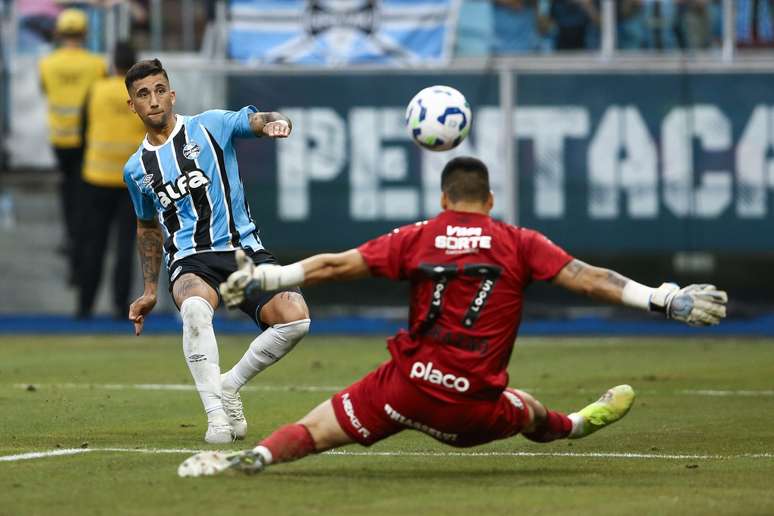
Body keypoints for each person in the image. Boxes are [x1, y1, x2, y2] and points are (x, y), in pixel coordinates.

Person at [177, 156, 728, 477]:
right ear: (489, 200)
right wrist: (662, 298)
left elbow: (337, 266)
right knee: (533, 413)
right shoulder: (518, 240)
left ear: (444, 198)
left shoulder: (420, 235)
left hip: (405, 388)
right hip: (473, 406)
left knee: (317, 428)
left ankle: (252, 459)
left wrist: (270, 278)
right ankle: (579, 424)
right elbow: (589, 278)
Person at [122, 59, 311, 444]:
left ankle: (229, 386)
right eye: (143, 94)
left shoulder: (209, 125)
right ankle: (215, 418)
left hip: (243, 249)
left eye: (160, 90)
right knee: (193, 308)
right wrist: (149, 289)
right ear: (133, 106)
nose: (154, 100)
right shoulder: (135, 169)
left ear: (172, 95)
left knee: (295, 319)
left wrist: (278, 122)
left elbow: (255, 121)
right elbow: (146, 227)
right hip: (191, 259)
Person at [76, 41, 145, 319]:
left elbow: (83, 129)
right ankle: (120, 309)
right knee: (126, 247)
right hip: (131, 181)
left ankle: (84, 306)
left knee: (93, 243)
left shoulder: (95, 89)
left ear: (112, 62)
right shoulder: (141, 94)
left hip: (96, 177)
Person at [39, 8, 106, 286]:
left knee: (68, 192)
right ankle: (78, 247)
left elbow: (45, 91)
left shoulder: (46, 63)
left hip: (59, 141)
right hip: (85, 140)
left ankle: (72, 239)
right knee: (82, 199)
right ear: (84, 33)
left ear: (59, 33)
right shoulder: (96, 64)